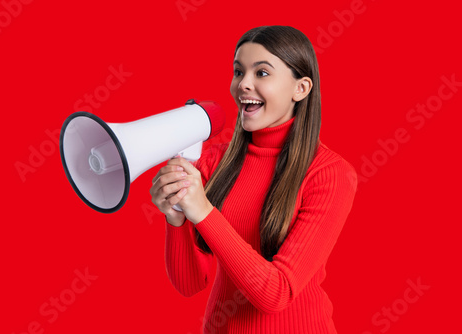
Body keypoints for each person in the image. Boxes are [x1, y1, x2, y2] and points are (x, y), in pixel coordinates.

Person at [150, 25, 358, 334]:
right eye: (238, 72)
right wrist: (175, 217)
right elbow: (190, 284)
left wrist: (204, 211)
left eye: (261, 73)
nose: (243, 85)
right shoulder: (213, 162)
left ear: (300, 89)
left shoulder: (329, 173)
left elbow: (276, 293)